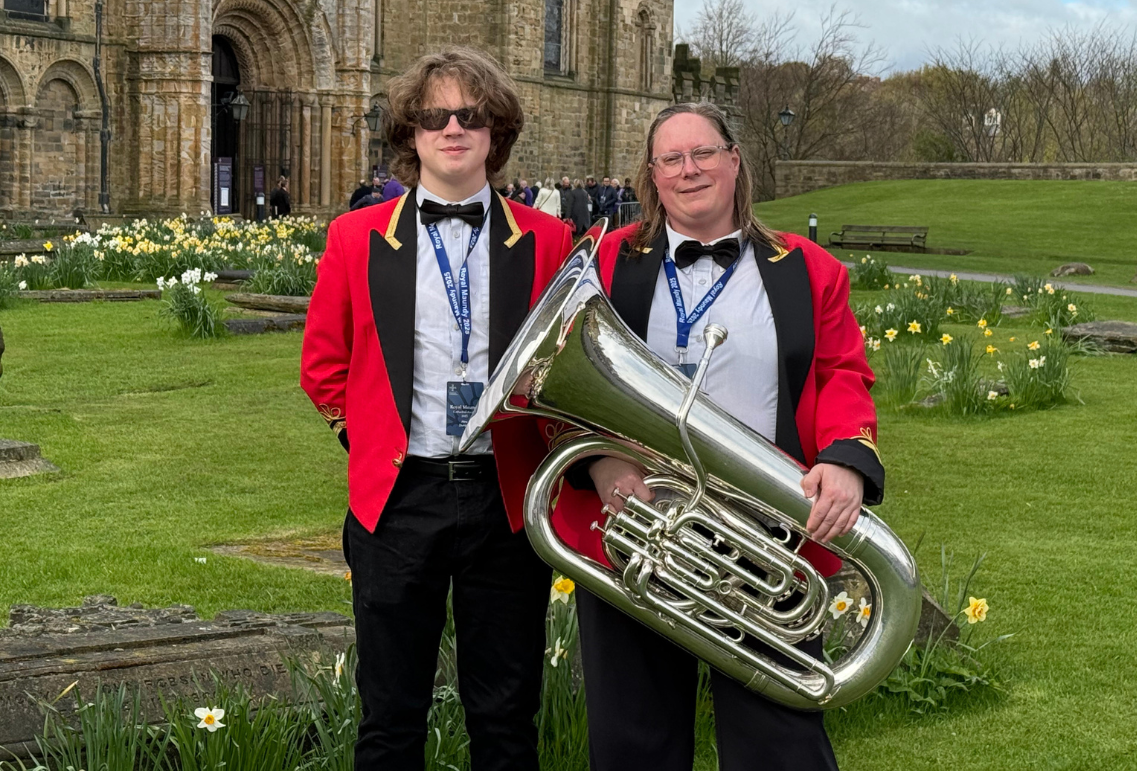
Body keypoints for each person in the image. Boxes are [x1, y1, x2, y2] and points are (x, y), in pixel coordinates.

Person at [551, 101, 884, 771]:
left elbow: (842, 372)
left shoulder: (809, 268)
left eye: (703, 153)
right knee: (634, 744)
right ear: (652, 175)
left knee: (780, 747)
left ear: (734, 161)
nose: (689, 169)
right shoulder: (604, 261)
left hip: (766, 534)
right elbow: (561, 376)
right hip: (636, 525)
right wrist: (601, 465)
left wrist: (847, 460)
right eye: (671, 158)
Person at [301, 46, 574, 771]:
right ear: (410, 134)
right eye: (433, 117)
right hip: (397, 500)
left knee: (506, 718)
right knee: (389, 718)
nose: (453, 129)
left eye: (471, 116)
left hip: (506, 502)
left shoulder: (548, 240)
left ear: (496, 132)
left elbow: (567, 370)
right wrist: (366, 441)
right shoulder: (355, 237)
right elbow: (322, 365)